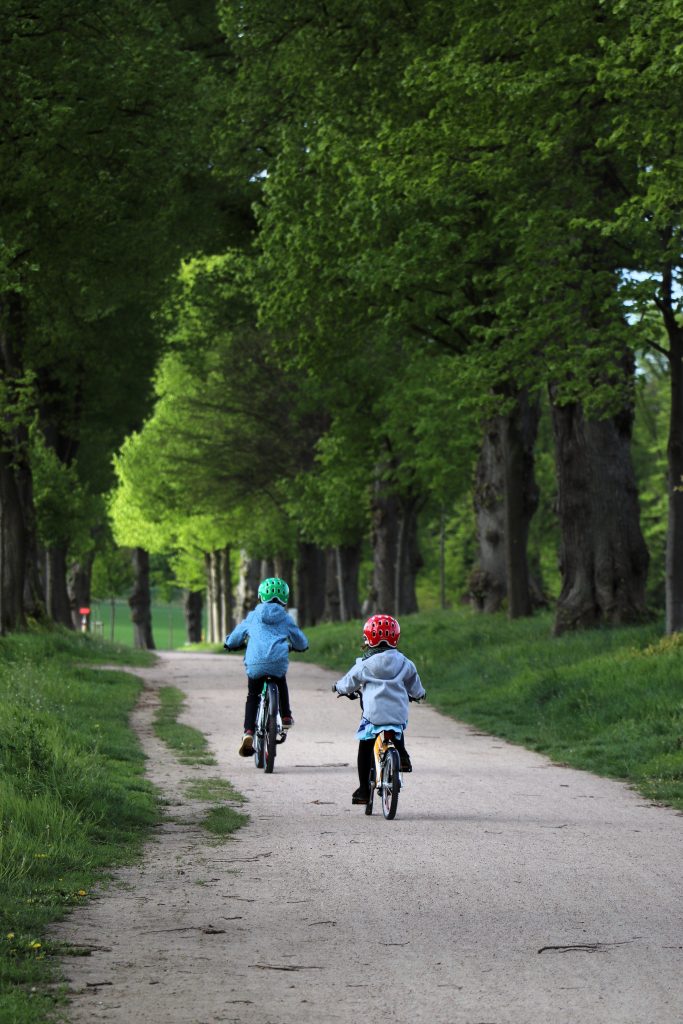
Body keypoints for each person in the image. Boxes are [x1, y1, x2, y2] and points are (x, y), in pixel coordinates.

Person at [332, 613, 425, 805]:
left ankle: (364, 791)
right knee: (396, 727)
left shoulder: (365, 665)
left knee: (365, 747)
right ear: (395, 637)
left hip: (373, 715)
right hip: (397, 713)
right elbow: (415, 687)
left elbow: (349, 683)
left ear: (368, 638)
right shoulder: (405, 663)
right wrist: (419, 694)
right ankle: (403, 756)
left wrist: (338, 688)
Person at [224, 576, 309, 757]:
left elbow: (237, 636)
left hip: (255, 663)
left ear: (261, 596)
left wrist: (230, 643)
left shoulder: (254, 616)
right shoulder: (285, 618)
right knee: (281, 682)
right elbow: (300, 640)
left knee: (253, 696)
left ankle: (248, 732)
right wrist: (301, 647)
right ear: (285, 598)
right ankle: (285, 716)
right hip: (277, 662)